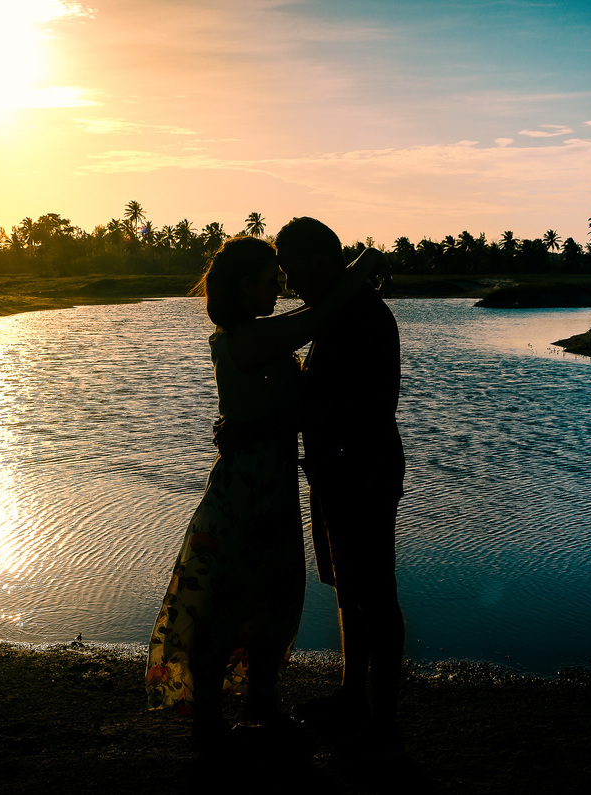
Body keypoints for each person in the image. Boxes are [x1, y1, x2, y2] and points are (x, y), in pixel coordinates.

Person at [145, 234, 381, 756]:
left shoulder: (257, 332)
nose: (279, 288)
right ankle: (210, 718)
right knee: (228, 602)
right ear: (244, 287)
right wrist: (364, 264)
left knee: (277, 598)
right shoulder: (246, 338)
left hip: (272, 488)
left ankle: (261, 704)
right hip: (245, 493)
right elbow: (316, 319)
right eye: (269, 280)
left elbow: (304, 323)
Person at [275, 218, 406, 748]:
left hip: (363, 469)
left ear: (321, 262)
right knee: (351, 587)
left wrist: (287, 419)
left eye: (293, 270)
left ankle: (382, 714)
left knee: (375, 591)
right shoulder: (337, 311)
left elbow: (365, 404)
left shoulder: (359, 316)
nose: (289, 283)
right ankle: (355, 697)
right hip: (338, 468)